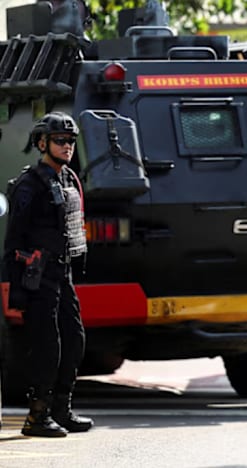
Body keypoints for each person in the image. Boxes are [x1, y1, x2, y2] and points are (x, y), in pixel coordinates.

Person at [3, 111, 93, 437]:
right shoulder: (29, 184)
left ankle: (61, 409)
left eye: (71, 141)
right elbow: (13, 240)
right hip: (37, 275)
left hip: (62, 272)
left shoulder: (68, 178)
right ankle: (36, 416)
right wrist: (16, 288)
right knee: (47, 345)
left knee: (74, 338)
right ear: (42, 143)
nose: (67, 146)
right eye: (59, 140)